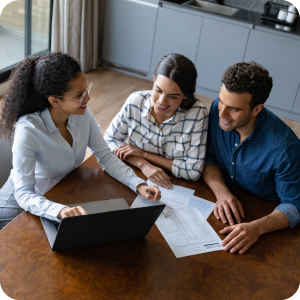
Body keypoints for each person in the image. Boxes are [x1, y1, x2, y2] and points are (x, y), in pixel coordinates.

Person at [0, 52, 160, 230]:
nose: (88, 99)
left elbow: (105, 156)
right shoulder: (29, 130)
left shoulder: (81, 113)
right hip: (19, 203)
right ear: (54, 101)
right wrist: (58, 211)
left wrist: (138, 184)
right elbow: (23, 193)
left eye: (86, 90)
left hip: (59, 192)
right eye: (79, 95)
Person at [202, 62, 300, 254]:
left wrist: (257, 228)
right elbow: (209, 157)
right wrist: (221, 192)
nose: (222, 113)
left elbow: (295, 205)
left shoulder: (285, 148)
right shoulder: (217, 109)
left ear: (257, 109)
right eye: (221, 100)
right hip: (225, 200)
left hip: (266, 213)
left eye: (234, 109)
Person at [104, 53, 208, 189]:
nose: (161, 101)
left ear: (185, 95)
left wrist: (144, 154)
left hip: (177, 185)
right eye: (158, 90)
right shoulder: (135, 101)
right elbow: (108, 140)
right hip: (136, 176)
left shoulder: (198, 114)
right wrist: (143, 164)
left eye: (173, 96)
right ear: (153, 80)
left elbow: (193, 171)